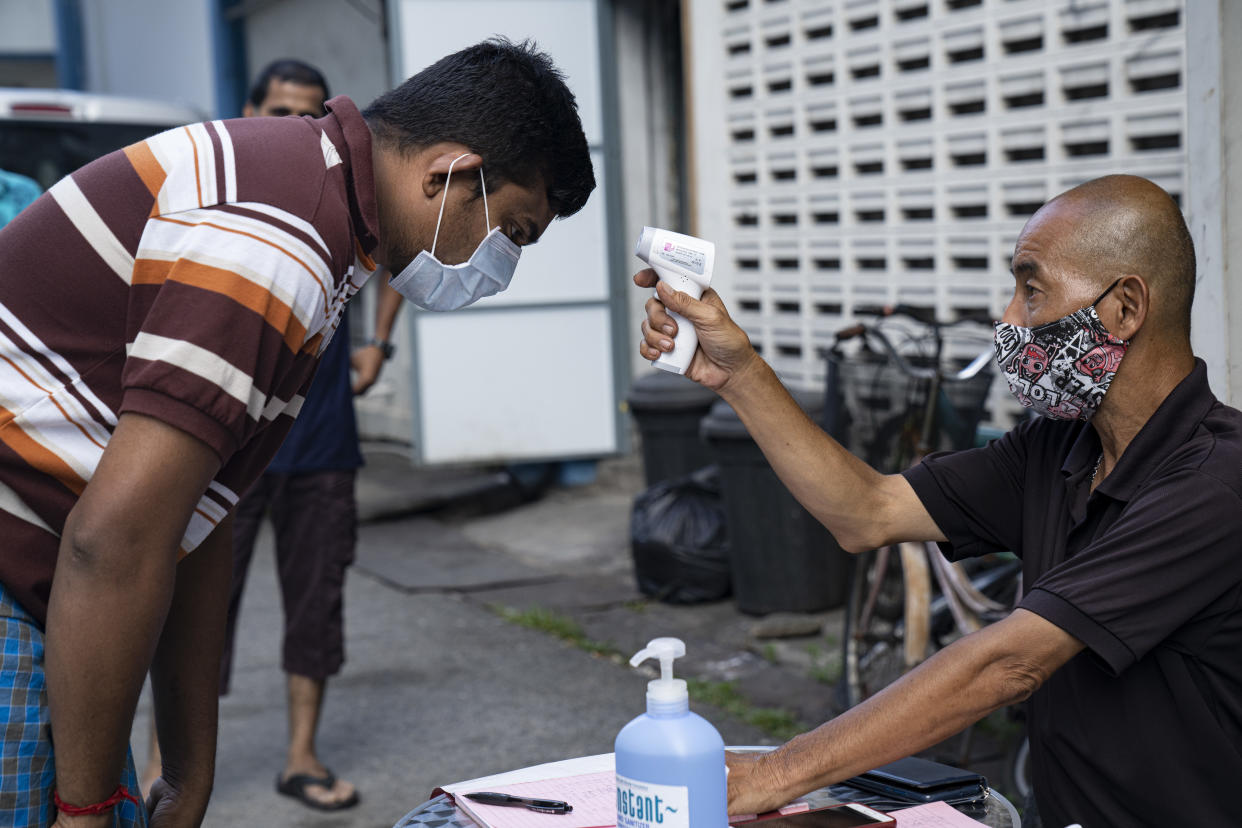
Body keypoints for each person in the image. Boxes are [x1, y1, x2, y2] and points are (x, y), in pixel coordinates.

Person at [0, 37, 593, 828]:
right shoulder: (273, 241)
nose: (498, 265)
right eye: (511, 233)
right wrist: (82, 814)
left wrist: (187, 772)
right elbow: (113, 542)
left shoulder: (314, 209)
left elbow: (199, 513)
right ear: (450, 173)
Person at [637, 175, 1241, 827]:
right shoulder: (1060, 449)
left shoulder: (1217, 483)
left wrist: (782, 773)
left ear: (1125, 308)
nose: (1009, 319)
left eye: (1031, 288)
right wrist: (741, 374)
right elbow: (868, 511)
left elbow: (1010, 662)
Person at [139, 58, 405, 812]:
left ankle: (301, 757)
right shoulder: (226, 188)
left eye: (310, 112)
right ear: (252, 108)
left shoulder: (350, 196)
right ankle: (164, 769)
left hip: (321, 441)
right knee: (191, 606)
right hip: (225, 444)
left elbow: (404, 253)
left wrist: (376, 344)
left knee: (315, 600)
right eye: (282, 110)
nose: (297, 125)